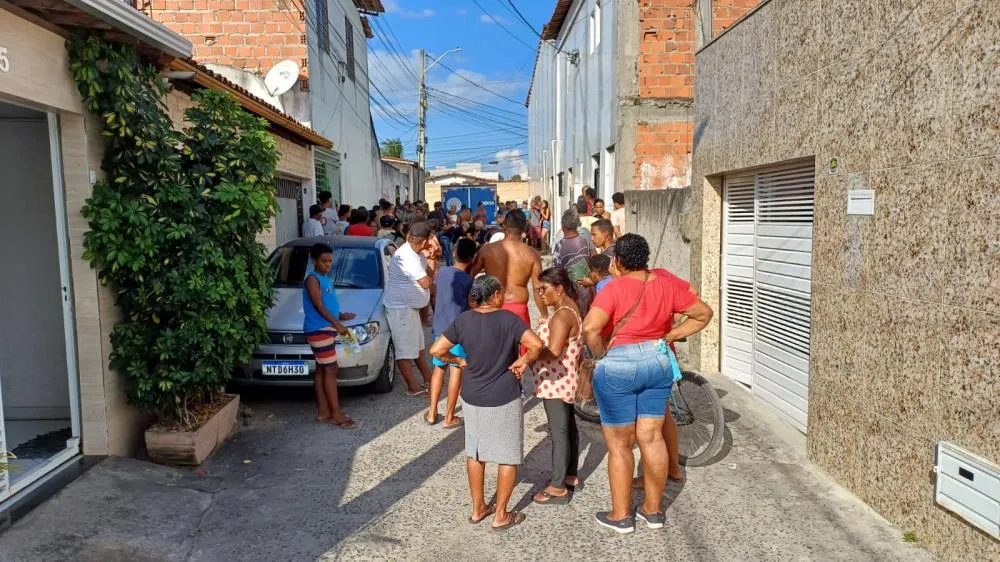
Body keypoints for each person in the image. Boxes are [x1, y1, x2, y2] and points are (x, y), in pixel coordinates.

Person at [581, 234, 713, 534]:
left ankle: (620, 515)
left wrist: (602, 355)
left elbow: (590, 328)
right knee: (652, 437)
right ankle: (652, 511)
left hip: (619, 365)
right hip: (658, 360)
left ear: (616, 261)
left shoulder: (614, 288)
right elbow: (703, 314)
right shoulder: (665, 281)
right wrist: (670, 336)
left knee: (620, 444)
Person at [429, 275, 544, 531]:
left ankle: (478, 508)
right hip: (503, 395)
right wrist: (523, 362)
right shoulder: (509, 320)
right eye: (500, 293)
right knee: (507, 456)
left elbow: (436, 350)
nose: (503, 297)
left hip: (472, 396)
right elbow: (536, 345)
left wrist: (457, 362)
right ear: (494, 296)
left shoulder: (463, 320)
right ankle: (501, 514)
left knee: (475, 452)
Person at [529, 267, 584, 505]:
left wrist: (528, 355)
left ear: (559, 288)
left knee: (559, 432)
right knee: (568, 428)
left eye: (544, 289)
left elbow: (553, 351)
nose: (540, 294)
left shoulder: (562, 314)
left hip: (556, 380)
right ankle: (570, 475)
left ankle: (558, 485)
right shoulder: (570, 308)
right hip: (564, 377)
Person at [303, 243, 358, 429]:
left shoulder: (325, 278)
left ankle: (324, 411)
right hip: (319, 329)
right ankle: (336, 413)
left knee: (322, 369)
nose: (328, 264)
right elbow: (318, 305)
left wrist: (340, 315)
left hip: (326, 328)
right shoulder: (312, 279)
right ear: (314, 261)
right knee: (331, 369)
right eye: (323, 261)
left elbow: (327, 303)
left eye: (330, 261)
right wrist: (337, 324)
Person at [425, 238, 477, 429]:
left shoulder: (442, 273)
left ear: (454, 252)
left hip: (440, 328)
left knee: (438, 369)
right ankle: (449, 417)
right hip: (459, 331)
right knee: (456, 370)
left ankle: (432, 413)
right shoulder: (469, 281)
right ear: (472, 258)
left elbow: (434, 296)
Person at [383, 221, 436, 396]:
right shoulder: (408, 257)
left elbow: (430, 273)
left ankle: (428, 378)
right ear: (423, 241)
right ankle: (412, 387)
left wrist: (432, 257)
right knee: (405, 350)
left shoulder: (417, 253)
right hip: (401, 310)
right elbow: (427, 282)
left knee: (418, 347)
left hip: (410, 309)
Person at [470, 209, 545, 327]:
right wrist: (544, 314)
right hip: (518, 309)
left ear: (504, 226)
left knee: (494, 345)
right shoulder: (532, 254)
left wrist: (472, 304)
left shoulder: (487, 250)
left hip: (492, 306)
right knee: (520, 344)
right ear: (525, 228)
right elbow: (538, 288)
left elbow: (469, 276)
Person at [553, 209, 594, 283]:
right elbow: (592, 254)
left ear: (563, 227)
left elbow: (556, 268)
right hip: (586, 283)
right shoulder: (584, 239)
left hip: (569, 285)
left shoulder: (560, 244)